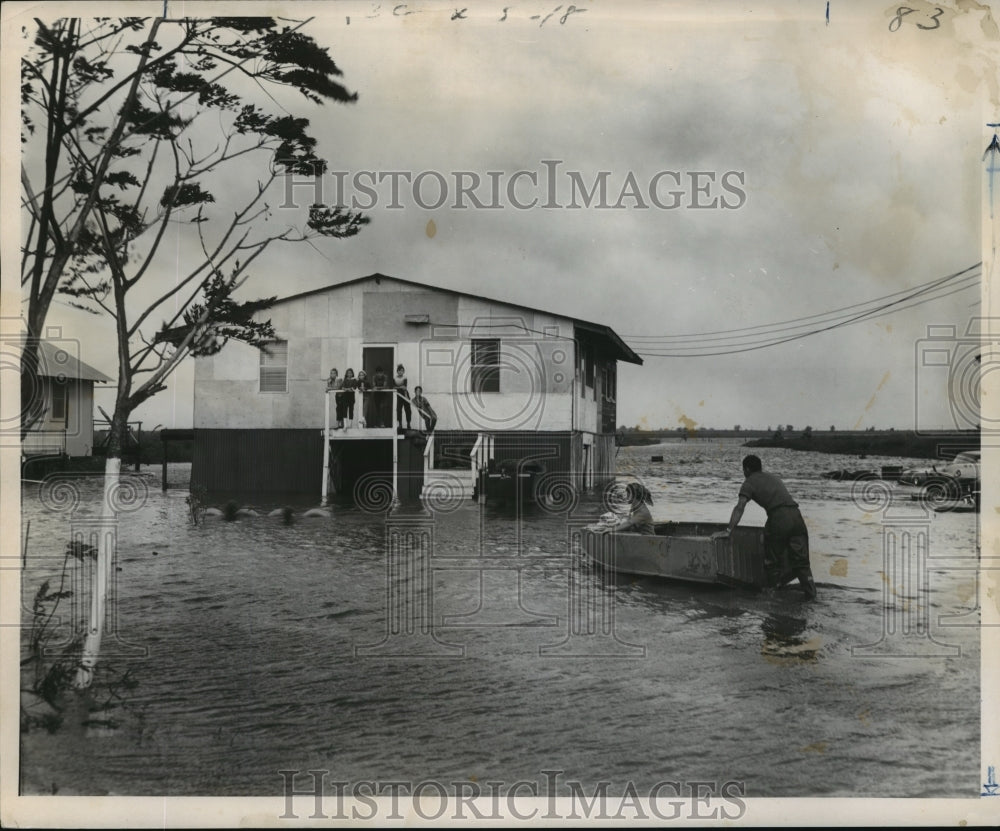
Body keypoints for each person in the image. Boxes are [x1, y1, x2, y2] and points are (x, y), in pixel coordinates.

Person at [714, 455, 816, 600]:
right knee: (802, 562)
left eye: (743, 470)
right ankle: (812, 595)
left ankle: (772, 596)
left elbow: (740, 507)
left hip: (779, 518)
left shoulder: (749, 482)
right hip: (797, 516)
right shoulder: (773, 478)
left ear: (747, 469)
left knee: (771, 560)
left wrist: (728, 530)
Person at [393, 364, 412, 430]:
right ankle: (400, 424)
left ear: (403, 372)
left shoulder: (405, 378)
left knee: (408, 409)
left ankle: (408, 424)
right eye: (399, 371)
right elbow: (393, 387)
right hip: (398, 395)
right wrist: (400, 387)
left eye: (402, 371)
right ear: (397, 371)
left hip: (405, 394)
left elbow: (405, 387)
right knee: (399, 409)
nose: (401, 372)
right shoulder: (395, 378)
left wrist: (406, 396)